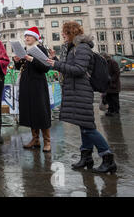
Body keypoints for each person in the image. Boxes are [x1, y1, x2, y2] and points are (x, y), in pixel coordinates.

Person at [47, 21, 117, 174]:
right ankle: (86, 157)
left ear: (71, 33)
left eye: (64, 32)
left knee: (89, 128)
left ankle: (108, 158)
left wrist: (56, 65)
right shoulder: (74, 48)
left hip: (81, 91)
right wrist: (57, 60)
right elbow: (70, 68)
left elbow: (78, 70)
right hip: (75, 91)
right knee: (83, 125)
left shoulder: (83, 47)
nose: (62, 35)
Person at [13, 27, 52, 152]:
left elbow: (46, 67)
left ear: (35, 37)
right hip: (26, 83)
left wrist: (32, 59)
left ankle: (47, 141)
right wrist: (17, 61)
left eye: (29, 36)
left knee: (41, 111)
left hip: (38, 84)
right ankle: (35, 139)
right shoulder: (25, 50)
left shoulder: (40, 49)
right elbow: (21, 67)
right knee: (30, 111)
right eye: (25, 36)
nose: (27, 38)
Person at [100, 52, 121, 117]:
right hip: (107, 85)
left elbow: (117, 73)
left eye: (102, 57)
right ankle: (110, 110)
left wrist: (111, 80)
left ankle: (116, 111)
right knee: (108, 99)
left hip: (113, 85)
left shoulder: (113, 62)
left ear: (105, 57)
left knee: (114, 99)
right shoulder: (104, 63)